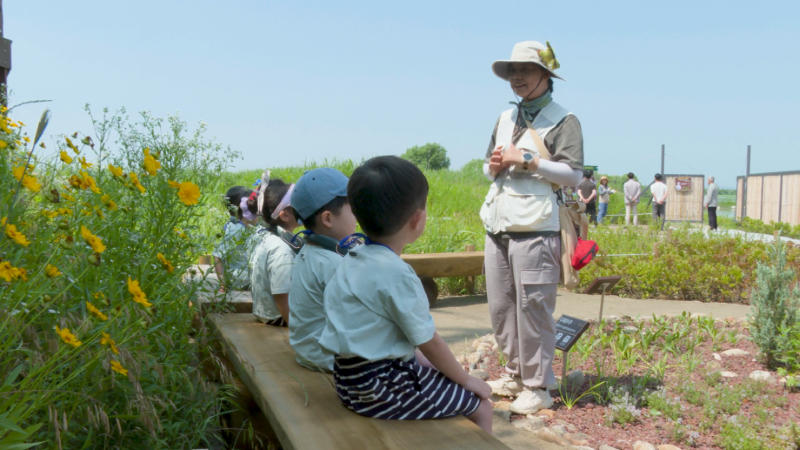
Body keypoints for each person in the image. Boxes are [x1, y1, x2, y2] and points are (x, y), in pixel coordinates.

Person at [319, 156, 493, 433]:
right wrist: (467, 380)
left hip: (348, 381)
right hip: (381, 388)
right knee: (481, 406)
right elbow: (428, 342)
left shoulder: (352, 258)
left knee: (437, 376)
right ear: (417, 219)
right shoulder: (398, 274)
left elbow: (407, 342)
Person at [480, 41, 584, 415]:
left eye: (524, 70)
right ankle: (514, 375)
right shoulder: (506, 118)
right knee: (502, 307)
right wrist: (493, 166)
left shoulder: (564, 120)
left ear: (546, 75)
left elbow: (573, 174)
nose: (517, 77)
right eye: (512, 71)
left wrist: (526, 158)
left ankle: (539, 386)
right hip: (498, 223)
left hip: (537, 226)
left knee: (533, 308)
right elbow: (487, 167)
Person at [288, 168, 357, 372]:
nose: (357, 216)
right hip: (327, 358)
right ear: (328, 219)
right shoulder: (333, 263)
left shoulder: (310, 251)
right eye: (352, 210)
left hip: (308, 351)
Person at [249, 177, 301, 326]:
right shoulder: (281, 248)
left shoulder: (267, 237)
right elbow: (281, 295)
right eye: (298, 201)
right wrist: (298, 328)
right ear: (285, 215)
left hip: (267, 313)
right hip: (279, 318)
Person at [213, 186, 260, 291]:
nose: (259, 215)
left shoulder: (255, 228)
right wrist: (222, 283)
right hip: (239, 284)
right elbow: (217, 256)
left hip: (251, 282)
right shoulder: (234, 230)